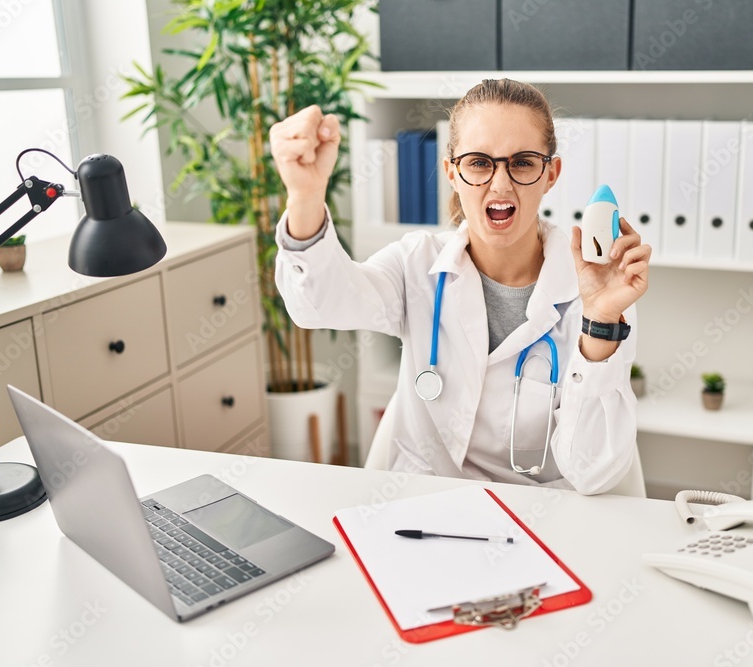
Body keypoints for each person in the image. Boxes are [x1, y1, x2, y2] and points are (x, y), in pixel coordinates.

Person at [271, 79, 650, 495]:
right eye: (479, 163)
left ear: (550, 174)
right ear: (452, 172)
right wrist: (305, 197)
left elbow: (593, 472)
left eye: (522, 162)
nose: (501, 185)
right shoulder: (416, 265)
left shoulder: (599, 292)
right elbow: (319, 305)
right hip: (424, 508)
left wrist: (599, 321)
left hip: (537, 518)